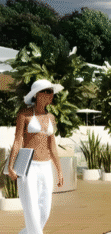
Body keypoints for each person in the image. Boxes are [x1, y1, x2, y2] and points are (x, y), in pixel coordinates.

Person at [8, 79, 65, 234]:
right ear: (37, 95)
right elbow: (18, 141)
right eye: (47, 91)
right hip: (29, 167)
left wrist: (59, 171)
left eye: (51, 91)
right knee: (31, 209)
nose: (51, 94)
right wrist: (10, 166)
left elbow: (52, 146)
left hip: (46, 167)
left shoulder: (51, 117)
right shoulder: (24, 115)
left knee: (44, 210)